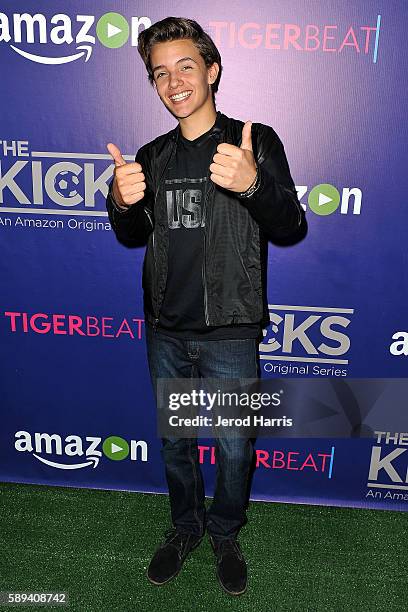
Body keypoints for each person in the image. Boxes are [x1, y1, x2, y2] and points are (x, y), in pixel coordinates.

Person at [106, 16, 305, 596]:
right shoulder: (151, 154)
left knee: (235, 447)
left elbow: (291, 224)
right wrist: (119, 202)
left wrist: (252, 185)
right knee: (176, 444)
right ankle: (184, 527)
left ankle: (224, 532)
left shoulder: (255, 140)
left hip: (231, 332)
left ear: (212, 70)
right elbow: (131, 236)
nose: (174, 82)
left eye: (186, 66)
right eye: (160, 73)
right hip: (166, 329)